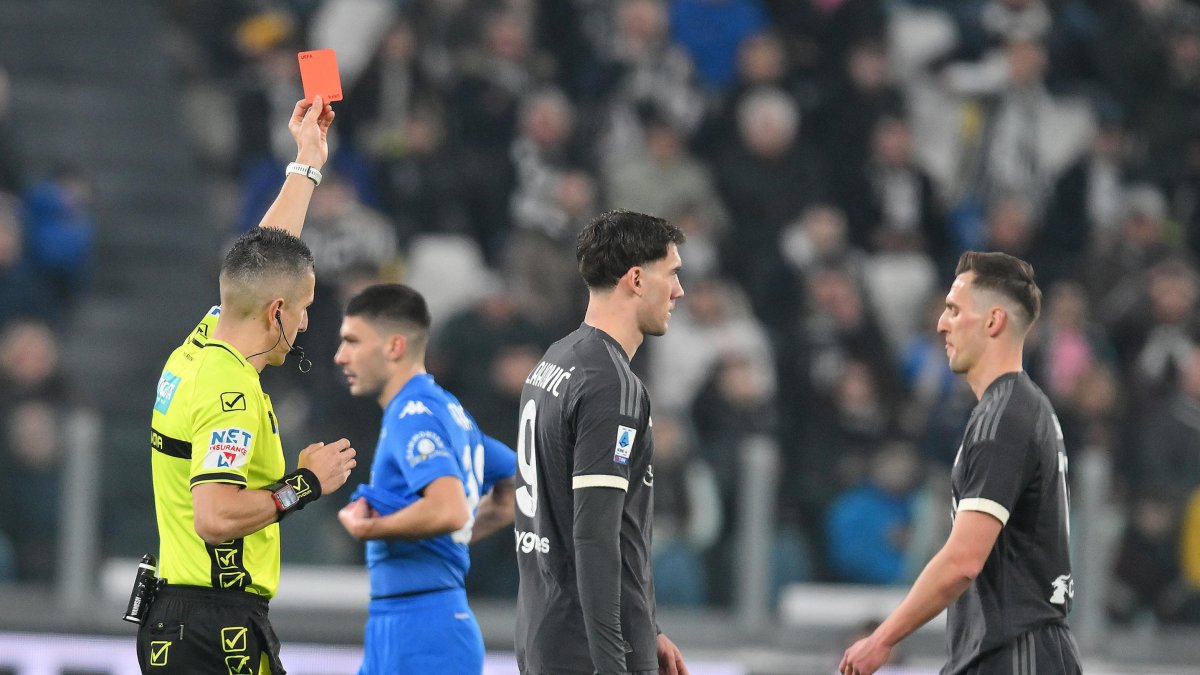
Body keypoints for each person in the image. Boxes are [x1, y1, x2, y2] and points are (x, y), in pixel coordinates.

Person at [139, 96, 359, 674]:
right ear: (278, 311)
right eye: (305, 309)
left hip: (184, 620)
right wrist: (305, 484)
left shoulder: (204, 340)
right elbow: (214, 516)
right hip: (215, 629)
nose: (308, 323)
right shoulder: (229, 396)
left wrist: (306, 162)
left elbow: (261, 260)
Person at [840, 251, 1081, 675]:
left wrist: (881, 639)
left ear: (993, 321)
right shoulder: (1017, 408)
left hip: (1015, 656)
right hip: (1010, 652)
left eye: (953, 310)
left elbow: (963, 559)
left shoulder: (1005, 415)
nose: (940, 324)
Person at [514, 209, 689, 675]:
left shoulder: (556, 360)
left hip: (542, 630)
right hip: (588, 651)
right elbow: (594, 537)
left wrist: (648, 628)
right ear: (636, 278)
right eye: (671, 274)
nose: (678, 291)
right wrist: (615, 664)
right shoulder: (610, 385)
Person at [333, 283, 517, 674]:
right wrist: (459, 532)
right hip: (407, 621)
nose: (340, 357)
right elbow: (517, 485)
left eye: (352, 342)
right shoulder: (449, 413)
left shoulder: (412, 415)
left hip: (424, 628)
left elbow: (448, 509)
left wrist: (373, 528)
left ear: (394, 347)